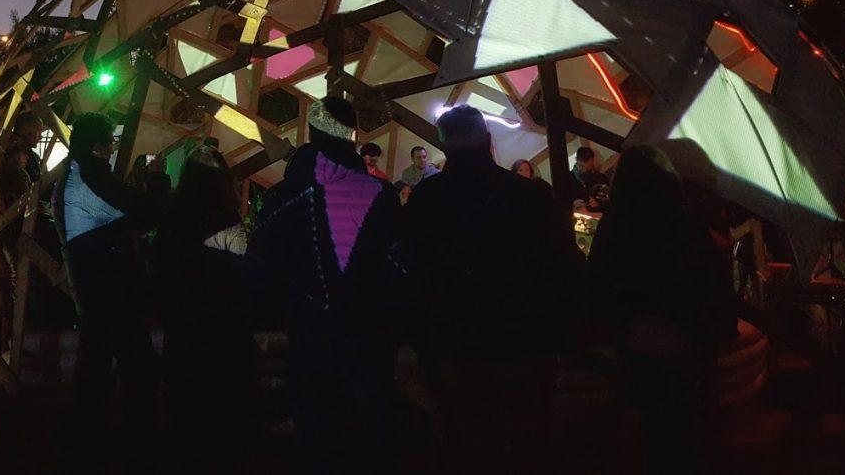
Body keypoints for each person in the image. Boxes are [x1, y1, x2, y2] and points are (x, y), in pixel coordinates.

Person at [397, 104, 582, 472]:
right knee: (530, 441)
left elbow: (413, 271)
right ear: (487, 139)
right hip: (525, 341)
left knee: (469, 442)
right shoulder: (527, 195)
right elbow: (561, 264)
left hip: (456, 344)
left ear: (444, 145)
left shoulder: (429, 199)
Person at [247, 96, 403, 474]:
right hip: (367, 333)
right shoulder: (380, 195)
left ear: (312, 133)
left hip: (310, 330)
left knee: (316, 425)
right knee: (363, 427)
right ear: (352, 135)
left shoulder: (287, 195)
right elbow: (397, 265)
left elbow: (262, 262)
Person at [586, 146, 736, 474]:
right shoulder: (684, 220)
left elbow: (599, 277)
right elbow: (707, 278)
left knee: (651, 422)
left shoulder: (616, 222)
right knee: (683, 418)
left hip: (636, 336)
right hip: (682, 333)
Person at [54, 112, 158, 470]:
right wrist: (156, 185)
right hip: (109, 285)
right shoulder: (90, 176)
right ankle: (128, 441)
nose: (114, 148)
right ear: (98, 147)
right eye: (110, 143)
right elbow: (141, 210)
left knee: (99, 360)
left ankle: (89, 438)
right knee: (128, 360)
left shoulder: (74, 175)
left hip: (100, 283)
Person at [156, 146, 254, 473]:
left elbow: (160, 271)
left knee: (186, 408)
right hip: (222, 329)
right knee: (220, 412)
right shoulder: (227, 221)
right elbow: (244, 274)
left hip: (182, 326)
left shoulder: (171, 220)